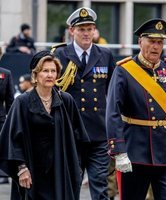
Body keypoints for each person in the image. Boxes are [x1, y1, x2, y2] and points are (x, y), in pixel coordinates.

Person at [106, 18, 166, 200]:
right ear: (140, 42)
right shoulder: (124, 71)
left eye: (160, 42)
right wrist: (119, 150)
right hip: (134, 154)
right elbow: (113, 112)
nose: (155, 46)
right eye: (151, 41)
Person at [0, 50, 89, 200]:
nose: (50, 75)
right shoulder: (22, 102)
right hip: (32, 170)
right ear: (35, 75)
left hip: (60, 170)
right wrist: (21, 168)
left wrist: (77, 167)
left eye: (53, 71)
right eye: (45, 71)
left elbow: (79, 136)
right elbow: (12, 139)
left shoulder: (66, 100)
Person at [53, 7, 115, 200]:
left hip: (98, 133)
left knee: (100, 186)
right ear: (72, 31)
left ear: (94, 30)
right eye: (81, 29)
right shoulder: (60, 55)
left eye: (89, 29)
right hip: (70, 132)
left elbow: (113, 93)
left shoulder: (105, 55)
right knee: (71, 186)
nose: (86, 33)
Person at [0, 67, 14, 184]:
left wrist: (12, 121)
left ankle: (3, 174)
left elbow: (10, 100)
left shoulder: (5, 74)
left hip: (1, 119)